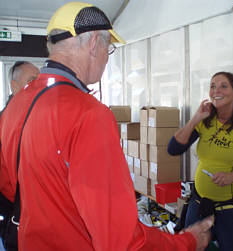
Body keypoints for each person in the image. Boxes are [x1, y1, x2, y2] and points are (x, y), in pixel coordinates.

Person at [0, 2, 213, 251]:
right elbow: (120, 239)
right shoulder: (88, 114)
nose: (106, 57)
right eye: (108, 48)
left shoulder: (16, 105)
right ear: (93, 44)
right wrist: (186, 242)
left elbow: (8, 186)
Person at [168, 71, 233, 251]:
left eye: (223, 86)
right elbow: (174, 149)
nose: (216, 90)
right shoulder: (205, 121)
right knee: (189, 247)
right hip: (199, 203)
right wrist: (195, 118)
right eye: (212, 86)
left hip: (231, 210)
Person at [0, 60, 39, 250]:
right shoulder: (5, 120)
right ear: (14, 86)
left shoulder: (36, 116)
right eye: (31, 81)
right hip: (13, 206)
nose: (37, 87)